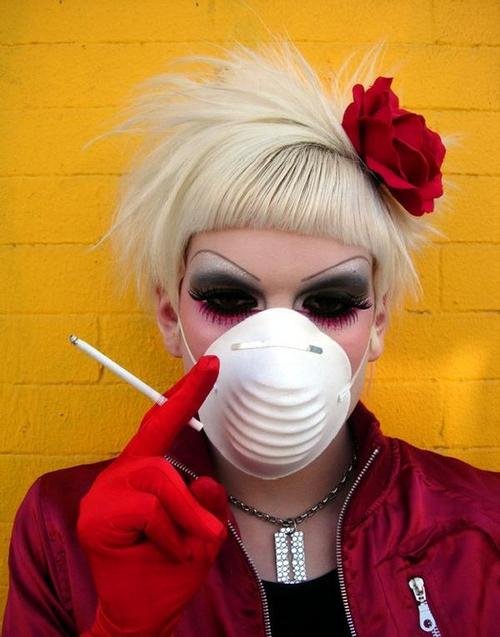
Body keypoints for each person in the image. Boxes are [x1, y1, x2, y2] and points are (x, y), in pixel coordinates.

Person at [3, 42, 499, 637]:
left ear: (379, 324)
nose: (278, 348)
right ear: (170, 315)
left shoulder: (482, 526)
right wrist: (119, 627)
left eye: (331, 303)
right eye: (229, 299)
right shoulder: (63, 526)